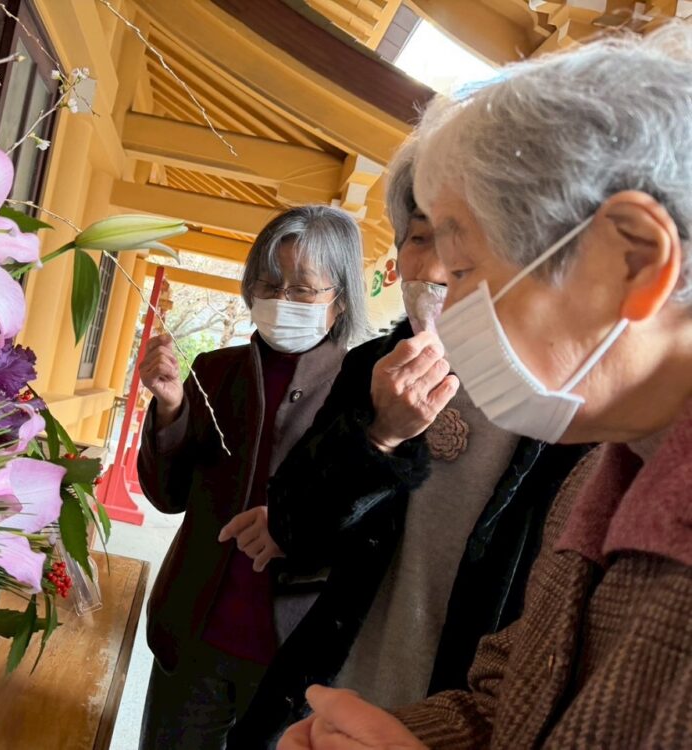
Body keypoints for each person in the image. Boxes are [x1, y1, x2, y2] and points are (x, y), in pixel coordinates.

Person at [279, 23, 692, 749]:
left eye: (466, 268)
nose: (440, 288)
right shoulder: (604, 470)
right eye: (423, 245)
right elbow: (514, 698)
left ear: (631, 259)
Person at [227, 140, 589, 747]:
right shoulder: (372, 365)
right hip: (324, 696)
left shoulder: (572, 415)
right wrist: (380, 435)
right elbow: (295, 526)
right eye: (420, 237)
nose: (438, 266)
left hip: (454, 724)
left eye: (470, 236)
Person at [136, 205, 367, 749]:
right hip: (193, 634)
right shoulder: (214, 371)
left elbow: (370, 522)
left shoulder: (365, 390)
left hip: (293, 654)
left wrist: (295, 526)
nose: (282, 300)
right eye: (269, 283)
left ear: (340, 301)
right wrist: (170, 410)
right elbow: (167, 496)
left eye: (304, 289)